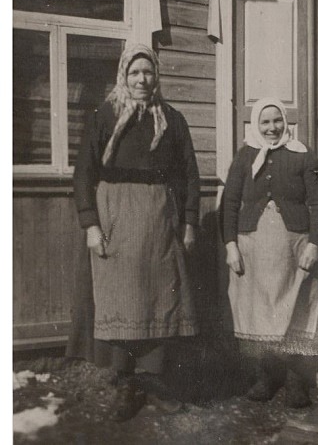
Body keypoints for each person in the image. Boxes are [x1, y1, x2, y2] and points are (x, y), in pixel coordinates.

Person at [71, 44, 200, 421]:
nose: (142, 80)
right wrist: (91, 224)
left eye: (148, 72)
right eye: (134, 73)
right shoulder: (105, 115)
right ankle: (126, 386)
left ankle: (156, 385)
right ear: (123, 76)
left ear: (156, 76)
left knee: (161, 301)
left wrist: (189, 222)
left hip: (160, 220)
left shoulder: (172, 119)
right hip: (115, 217)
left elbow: (189, 174)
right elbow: (84, 173)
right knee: (121, 301)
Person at [222, 97, 318, 407]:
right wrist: (230, 245)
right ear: (256, 124)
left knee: (294, 310)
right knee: (258, 313)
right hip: (252, 248)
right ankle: (267, 376)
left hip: (294, 248)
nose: (272, 128)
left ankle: (297, 380)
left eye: (277, 121)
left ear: (285, 122)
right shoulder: (244, 156)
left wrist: (314, 244)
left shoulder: (305, 156)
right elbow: (229, 203)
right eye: (265, 122)